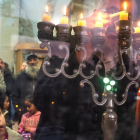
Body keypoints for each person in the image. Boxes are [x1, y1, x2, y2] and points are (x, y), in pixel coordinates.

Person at [34, 0, 139, 140]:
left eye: (127, 18)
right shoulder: (65, 47)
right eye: (112, 12)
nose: (117, 22)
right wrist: (84, 51)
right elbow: (42, 99)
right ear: (99, 13)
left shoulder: (130, 65)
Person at [12, 54, 40, 122]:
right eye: (30, 60)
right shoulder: (20, 77)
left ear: (37, 62)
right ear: (27, 63)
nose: (32, 62)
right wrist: (18, 109)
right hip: (24, 113)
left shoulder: (41, 76)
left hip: (40, 113)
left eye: (34, 60)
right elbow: (15, 95)